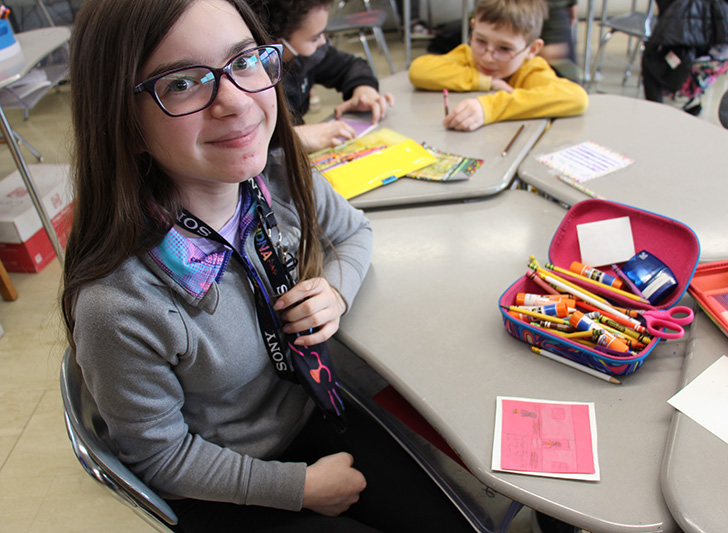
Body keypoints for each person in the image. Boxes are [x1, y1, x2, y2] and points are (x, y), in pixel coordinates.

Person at [61, 0, 473, 531]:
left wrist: (337, 289)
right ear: (122, 118)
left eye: (244, 62)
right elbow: (160, 458)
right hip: (224, 481)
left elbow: (355, 232)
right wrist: (298, 489)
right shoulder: (120, 303)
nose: (235, 100)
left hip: (313, 407)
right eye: (182, 84)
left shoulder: (274, 178)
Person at [408, 0, 588, 132]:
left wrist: (488, 108)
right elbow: (419, 70)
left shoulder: (530, 69)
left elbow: (577, 97)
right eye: (480, 41)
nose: (487, 57)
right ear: (473, 28)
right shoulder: (468, 55)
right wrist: (487, 81)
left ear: (532, 49)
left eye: (504, 48)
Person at [247, 0, 395, 152]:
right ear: (277, 41)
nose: (322, 42)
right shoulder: (250, 83)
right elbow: (249, 141)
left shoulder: (306, 56)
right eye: (314, 38)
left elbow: (352, 66)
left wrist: (364, 90)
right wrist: (294, 136)